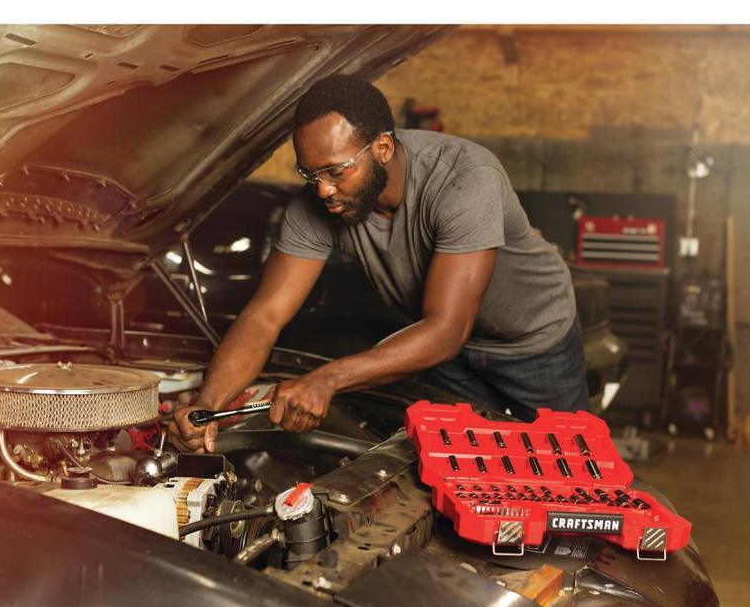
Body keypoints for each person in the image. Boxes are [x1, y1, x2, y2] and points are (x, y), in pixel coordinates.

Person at [170, 75, 587, 453]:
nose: (323, 190)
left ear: (383, 148)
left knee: (568, 469)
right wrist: (208, 405)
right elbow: (264, 317)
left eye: (336, 171)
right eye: (310, 174)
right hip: (441, 355)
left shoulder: (464, 179)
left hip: (532, 341)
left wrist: (326, 379)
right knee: (463, 470)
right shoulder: (317, 206)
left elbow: (447, 330)